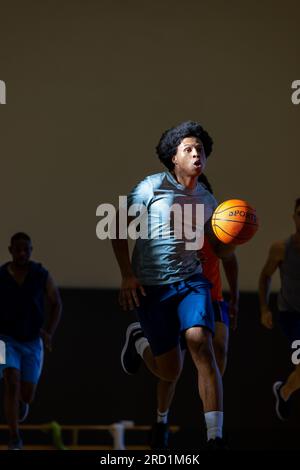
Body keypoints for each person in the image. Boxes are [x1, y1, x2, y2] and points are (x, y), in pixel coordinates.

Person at [112, 121, 237, 450]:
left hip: (191, 283)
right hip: (152, 288)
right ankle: (140, 340)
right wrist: (127, 274)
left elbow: (220, 251)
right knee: (169, 371)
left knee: (202, 344)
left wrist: (237, 236)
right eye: (189, 149)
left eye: (201, 149)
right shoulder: (151, 186)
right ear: (173, 159)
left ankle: (215, 435)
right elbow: (116, 226)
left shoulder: (209, 199)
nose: (197, 153)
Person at [0, 232, 62, 450]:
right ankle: (14, 437)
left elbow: (56, 303)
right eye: (17, 249)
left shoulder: (41, 274)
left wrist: (49, 332)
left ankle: (23, 403)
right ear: (10, 250)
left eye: (26, 249)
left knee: (26, 394)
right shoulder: (1, 275)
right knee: (11, 380)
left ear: (31, 250)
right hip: (4, 338)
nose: (22, 253)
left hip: (32, 340)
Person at [259, 197, 300, 421]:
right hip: (293, 317)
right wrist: (264, 308)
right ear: (294, 217)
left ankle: (284, 391)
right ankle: (284, 391)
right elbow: (265, 276)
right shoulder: (281, 249)